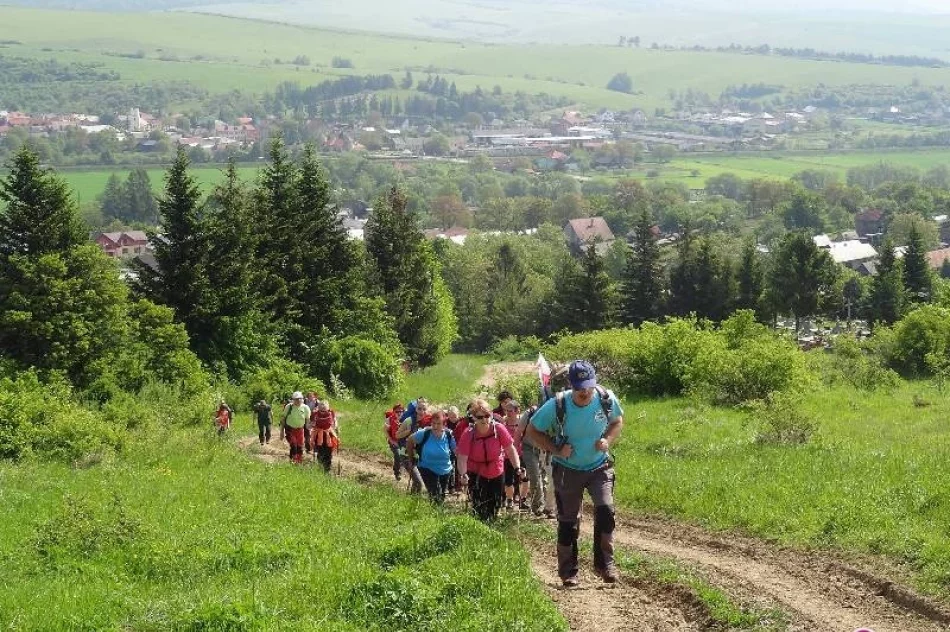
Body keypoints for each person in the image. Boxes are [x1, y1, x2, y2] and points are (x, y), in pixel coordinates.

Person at [525, 360, 624, 587]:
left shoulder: (606, 399)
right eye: (579, 387)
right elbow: (532, 430)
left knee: (606, 510)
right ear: (571, 385)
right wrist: (556, 449)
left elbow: (617, 421)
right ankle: (568, 572)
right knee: (569, 522)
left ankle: (605, 565)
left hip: (599, 466)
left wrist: (607, 440)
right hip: (567, 470)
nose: (585, 391)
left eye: (588, 386)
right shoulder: (557, 405)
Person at [457, 398, 524, 522]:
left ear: (491, 415)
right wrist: (463, 474)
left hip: (496, 471)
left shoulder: (499, 429)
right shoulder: (469, 433)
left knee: (495, 503)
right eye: (480, 417)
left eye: (487, 415)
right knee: (479, 504)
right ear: (474, 417)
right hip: (476, 473)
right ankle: (480, 527)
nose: (484, 419)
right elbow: (462, 457)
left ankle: (491, 524)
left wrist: (517, 467)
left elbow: (510, 449)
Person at [406, 409, 456, 505]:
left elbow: (455, 450)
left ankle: (436, 512)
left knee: (441, 495)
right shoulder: (424, 433)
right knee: (435, 494)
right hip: (427, 468)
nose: (435, 426)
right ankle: (435, 511)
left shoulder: (449, 435)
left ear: (444, 424)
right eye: (433, 423)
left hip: (445, 469)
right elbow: (410, 441)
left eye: (438, 423)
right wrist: (411, 458)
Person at [519, 403, 556, 519]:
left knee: (550, 478)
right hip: (529, 448)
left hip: (547, 450)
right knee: (535, 476)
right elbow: (518, 431)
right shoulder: (529, 414)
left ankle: (549, 507)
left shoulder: (557, 413)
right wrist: (515, 451)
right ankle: (537, 506)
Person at [395, 399, 430, 494]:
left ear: (427, 410)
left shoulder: (427, 422)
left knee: (416, 481)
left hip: (418, 456)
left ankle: (412, 497)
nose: (422, 411)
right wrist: (407, 432)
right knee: (419, 483)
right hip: (406, 454)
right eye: (419, 409)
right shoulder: (409, 420)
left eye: (424, 409)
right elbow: (397, 435)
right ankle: (413, 499)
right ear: (416, 409)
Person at [501, 400, 528, 510]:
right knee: (509, 480)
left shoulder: (523, 423)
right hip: (507, 456)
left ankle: (523, 500)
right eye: (506, 410)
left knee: (524, 477)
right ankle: (510, 500)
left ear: (517, 411)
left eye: (510, 411)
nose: (508, 413)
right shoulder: (503, 424)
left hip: (522, 454)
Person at [280, 391, 311, 464]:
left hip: (300, 430)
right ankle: (293, 461)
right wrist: (281, 432)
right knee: (293, 445)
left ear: (302, 399)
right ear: (293, 400)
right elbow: (283, 419)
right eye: (296, 399)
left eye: (300, 399)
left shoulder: (305, 407)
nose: (298, 400)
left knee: (300, 446)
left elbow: (307, 419)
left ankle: (298, 461)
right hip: (290, 429)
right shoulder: (289, 406)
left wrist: (308, 428)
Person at [310, 400, 338, 473]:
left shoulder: (331, 412)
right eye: (321, 410)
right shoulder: (315, 413)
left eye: (324, 410)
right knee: (320, 451)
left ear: (327, 408)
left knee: (328, 451)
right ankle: (320, 467)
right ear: (319, 408)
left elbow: (335, 420)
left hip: (328, 434)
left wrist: (336, 426)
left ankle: (327, 469)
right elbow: (311, 422)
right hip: (318, 434)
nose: (323, 411)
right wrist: (311, 427)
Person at [383, 403, 405, 480]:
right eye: (397, 411)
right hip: (393, 441)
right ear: (393, 412)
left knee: (403, 457)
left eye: (401, 411)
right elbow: (385, 431)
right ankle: (397, 473)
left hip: (403, 442)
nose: (399, 413)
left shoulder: (406, 419)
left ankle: (402, 468)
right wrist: (391, 441)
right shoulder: (389, 419)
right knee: (398, 455)